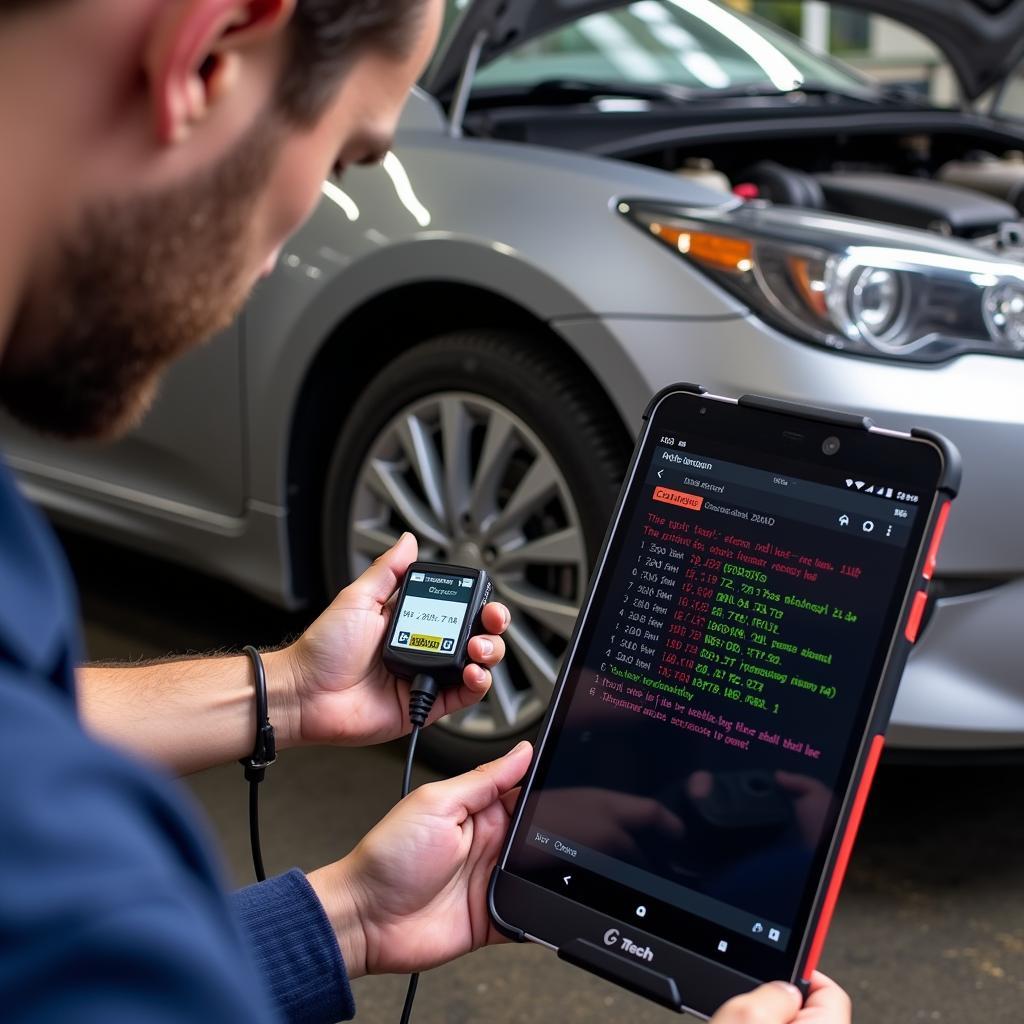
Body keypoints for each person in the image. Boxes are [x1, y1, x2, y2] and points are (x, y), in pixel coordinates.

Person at [0, 0, 853, 1021]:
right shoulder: (70, 864)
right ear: (211, 49)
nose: (278, 255)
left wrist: (340, 900)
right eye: (338, 160)